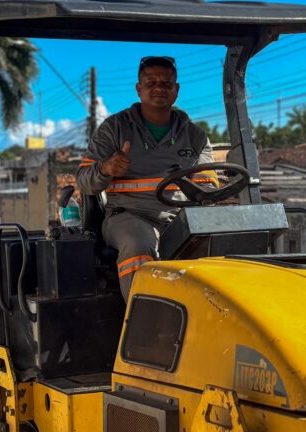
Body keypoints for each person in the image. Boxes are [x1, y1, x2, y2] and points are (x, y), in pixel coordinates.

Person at [76, 56, 216, 300]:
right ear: (139, 89)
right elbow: (83, 179)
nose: (159, 88)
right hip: (130, 216)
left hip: (180, 218)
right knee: (139, 243)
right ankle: (144, 325)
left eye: (166, 83)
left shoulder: (194, 135)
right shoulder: (115, 128)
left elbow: (207, 185)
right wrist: (106, 168)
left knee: (223, 242)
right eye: (151, 83)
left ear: (176, 90)